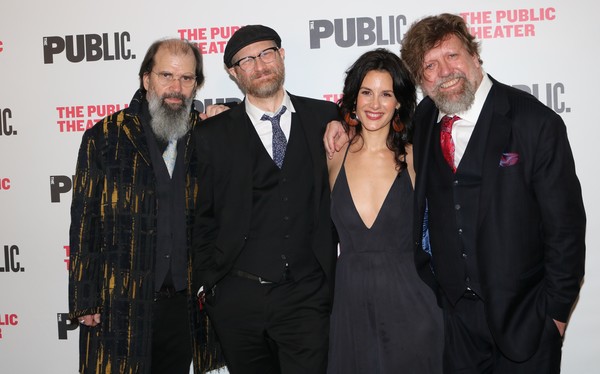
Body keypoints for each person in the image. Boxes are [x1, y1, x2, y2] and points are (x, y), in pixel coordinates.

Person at [326, 13, 586, 373]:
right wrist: (337, 123)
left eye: (452, 56)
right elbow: (374, 120)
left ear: (475, 56)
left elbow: (566, 230)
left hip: (525, 319)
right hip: (455, 326)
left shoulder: (534, 122)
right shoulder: (426, 121)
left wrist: (555, 315)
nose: (444, 71)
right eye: (430, 65)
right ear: (421, 80)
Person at [68, 38, 223, 374]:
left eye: (187, 79)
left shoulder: (208, 135)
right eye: (167, 75)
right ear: (146, 79)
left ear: (196, 85)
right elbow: (85, 222)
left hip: (183, 305)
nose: (176, 88)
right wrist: (84, 299)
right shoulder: (105, 137)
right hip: (118, 301)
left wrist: (231, 113)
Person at [192, 25, 339, 374]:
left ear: (282, 55)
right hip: (238, 298)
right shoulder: (212, 134)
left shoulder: (325, 118)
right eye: (247, 60)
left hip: (307, 295)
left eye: (267, 53)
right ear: (233, 73)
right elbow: (199, 214)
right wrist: (208, 286)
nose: (259, 65)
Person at [326, 48, 443, 374]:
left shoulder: (415, 156)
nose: (374, 104)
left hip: (412, 307)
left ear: (400, 103)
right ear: (353, 98)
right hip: (350, 309)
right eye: (366, 92)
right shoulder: (333, 154)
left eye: (386, 94)